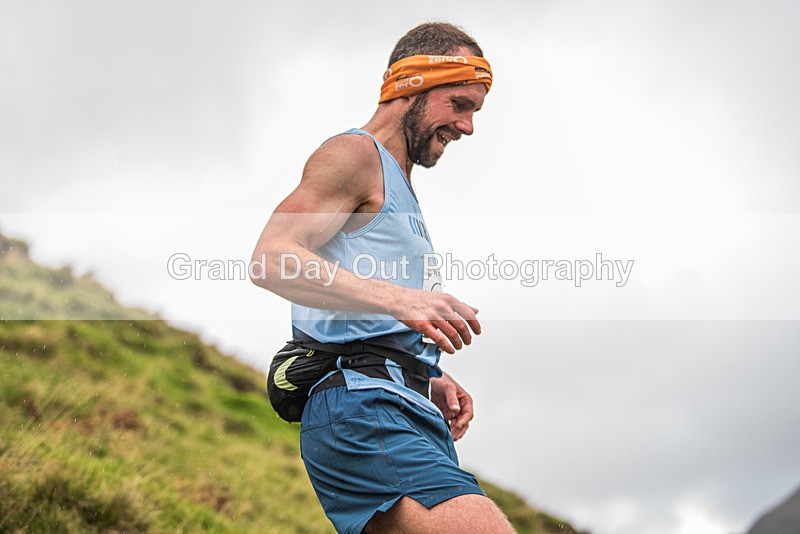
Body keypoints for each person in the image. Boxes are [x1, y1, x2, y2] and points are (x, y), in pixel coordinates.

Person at [251, 22, 515, 534]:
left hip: (400, 406)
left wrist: (420, 372)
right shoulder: (354, 155)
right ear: (411, 85)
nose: (467, 127)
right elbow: (271, 257)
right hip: (362, 410)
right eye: (460, 104)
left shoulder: (399, 185)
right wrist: (401, 302)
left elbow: (354, 312)